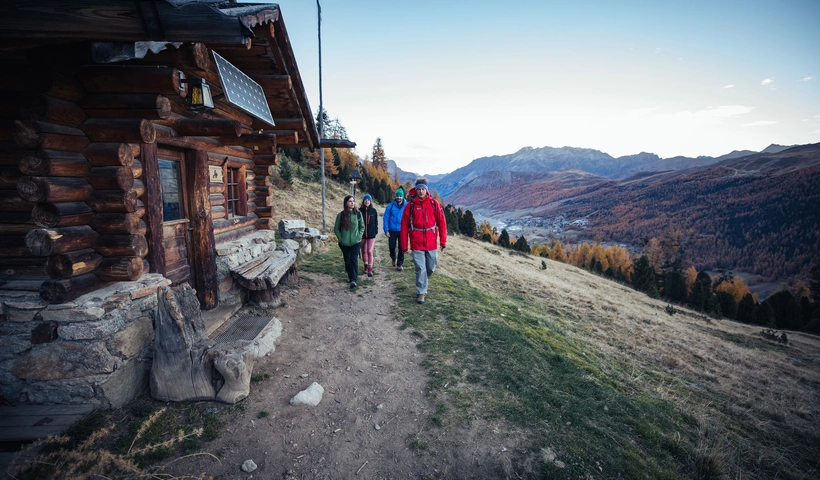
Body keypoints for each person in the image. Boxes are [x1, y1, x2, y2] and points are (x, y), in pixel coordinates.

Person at [400, 178, 447, 304]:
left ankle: (423, 282)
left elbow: (442, 223)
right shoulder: (410, 206)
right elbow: (404, 225)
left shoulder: (434, 204)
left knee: (430, 268)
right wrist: (404, 245)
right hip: (416, 242)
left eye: (423, 189)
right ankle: (421, 292)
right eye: (419, 189)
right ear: (416, 190)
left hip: (431, 242)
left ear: (427, 190)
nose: (421, 191)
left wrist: (443, 242)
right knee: (420, 268)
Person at [334, 195, 364, 288]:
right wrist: (340, 238)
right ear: (346, 203)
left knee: (354, 259)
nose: (352, 203)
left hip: (356, 242)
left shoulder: (358, 214)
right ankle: (350, 276)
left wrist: (359, 236)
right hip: (344, 243)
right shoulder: (341, 215)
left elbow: (362, 227)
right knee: (347, 260)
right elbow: (336, 228)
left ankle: (353, 279)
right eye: (350, 201)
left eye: (353, 201)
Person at [383, 187, 407, 271]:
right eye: (397, 196)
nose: (399, 198)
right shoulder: (390, 206)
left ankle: (399, 264)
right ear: (395, 196)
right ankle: (393, 258)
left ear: (403, 197)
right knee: (392, 246)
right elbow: (386, 218)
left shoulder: (407, 206)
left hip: (402, 230)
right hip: (392, 230)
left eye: (400, 196)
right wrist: (386, 230)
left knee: (401, 247)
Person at [359, 193, 379, 277]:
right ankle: (365, 266)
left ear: (370, 201)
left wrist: (375, 231)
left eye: (368, 200)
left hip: (371, 234)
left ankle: (370, 269)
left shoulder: (373, 211)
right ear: (363, 201)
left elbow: (376, 222)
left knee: (369, 251)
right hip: (362, 235)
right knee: (363, 251)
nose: (367, 201)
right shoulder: (359, 211)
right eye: (365, 200)